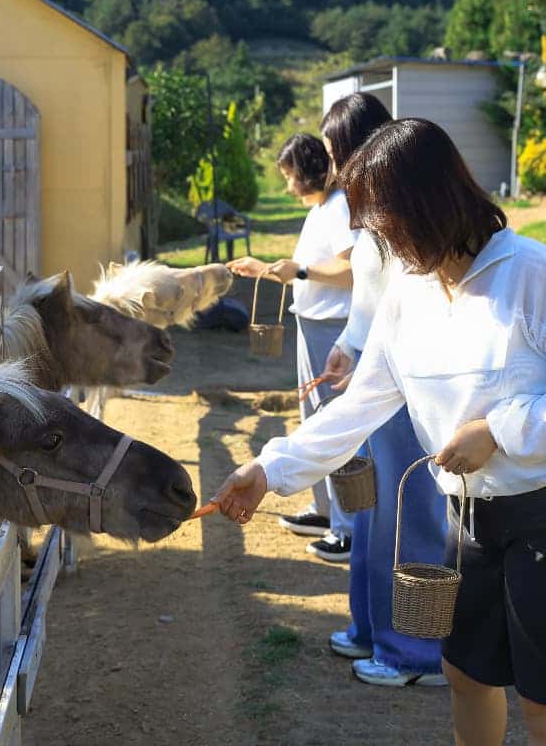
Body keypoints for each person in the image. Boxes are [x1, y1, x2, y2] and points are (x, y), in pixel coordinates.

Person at [215, 118, 546, 745]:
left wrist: (499, 431)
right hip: (469, 518)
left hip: (540, 513)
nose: (379, 242)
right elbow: (360, 405)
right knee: (466, 673)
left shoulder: (531, 273)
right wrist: (270, 467)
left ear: (428, 204)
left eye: (384, 224)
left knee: (541, 699)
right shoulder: (409, 293)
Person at [321, 227, 448, 687]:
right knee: (372, 509)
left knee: (407, 514)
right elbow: (372, 298)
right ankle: (372, 628)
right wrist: (349, 342)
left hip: (407, 378)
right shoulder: (374, 220)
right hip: (376, 369)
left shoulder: (410, 221)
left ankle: (416, 652)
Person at [228, 132, 356, 560]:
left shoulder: (338, 207)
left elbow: (349, 269)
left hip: (332, 327)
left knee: (332, 421)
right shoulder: (321, 208)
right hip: (313, 323)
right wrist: (267, 268)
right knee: (313, 416)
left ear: (307, 171)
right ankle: (326, 511)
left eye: (289, 176)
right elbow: (309, 268)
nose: (287, 186)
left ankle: (347, 526)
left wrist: (299, 272)